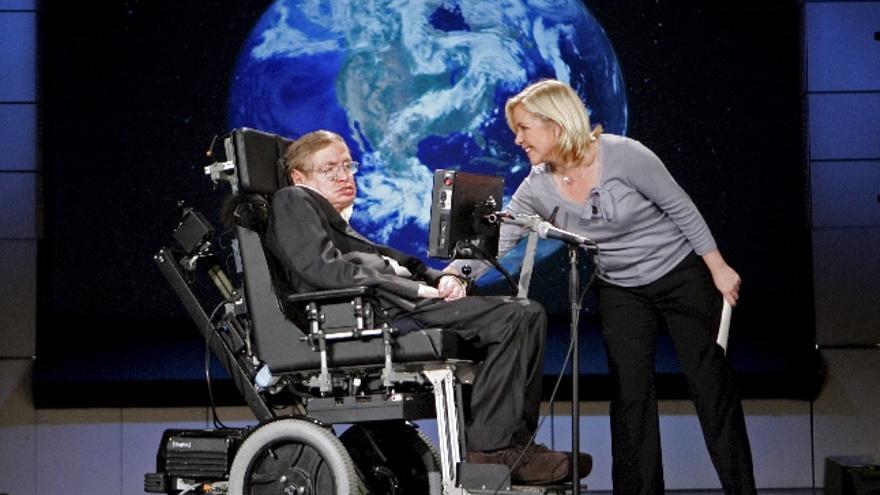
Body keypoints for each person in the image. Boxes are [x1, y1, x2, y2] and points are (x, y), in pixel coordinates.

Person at [449, 79, 757, 495]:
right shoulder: (537, 186)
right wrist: (455, 276)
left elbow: (680, 206)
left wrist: (717, 266)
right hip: (621, 289)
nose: (517, 139)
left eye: (524, 128)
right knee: (631, 398)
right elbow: (498, 239)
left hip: (680, 275)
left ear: (555, 125)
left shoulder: (624, 155)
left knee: (711, 389)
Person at [264, 129, 591, 485]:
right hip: (371, 315)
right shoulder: (292, 199)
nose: (345, 176)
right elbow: (322, 269)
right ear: (299, 176)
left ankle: (514, 444)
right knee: (516, 316)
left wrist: (444, 280)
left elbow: (397, 260)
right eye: (330, 169)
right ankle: (493, 450)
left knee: (525, 314)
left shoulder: (337, 224)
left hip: (392, 307)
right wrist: (406, 283)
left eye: (348, 165)